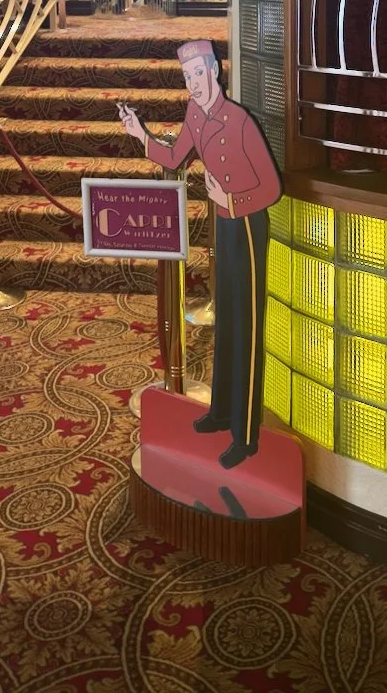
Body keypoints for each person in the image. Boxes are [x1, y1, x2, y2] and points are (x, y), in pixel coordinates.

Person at [119, 40, 282, 469]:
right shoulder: (195, 114)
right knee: (226, 317)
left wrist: (228, 199)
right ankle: (222, 412)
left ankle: (245, 435)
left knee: (246, 329)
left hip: (246, 224)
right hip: (224, 222)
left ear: (213, 71)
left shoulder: (240, 121)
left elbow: (271, 189)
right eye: (185, 77)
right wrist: (142, 135)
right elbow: (175, 157)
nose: (191, 84)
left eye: (196, 74)